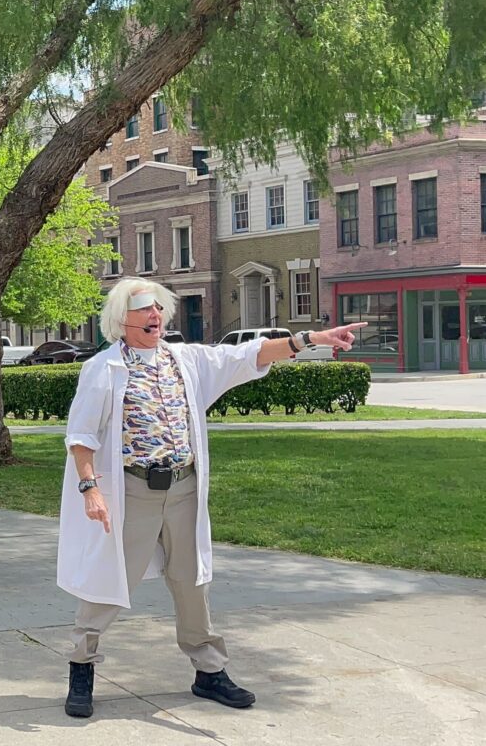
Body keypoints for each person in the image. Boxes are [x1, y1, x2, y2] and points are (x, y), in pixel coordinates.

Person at [58, 277, 365, 718]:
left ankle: (208, 671)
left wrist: (310, 340)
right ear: (122, 319)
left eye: (158, 308)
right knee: (110, 579)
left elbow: (249, 354)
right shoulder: (103, 369)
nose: (154, 315)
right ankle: (82, 665)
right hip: (132, 491)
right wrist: (91, 490)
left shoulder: (186, 360)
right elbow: (81, 436)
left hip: (183, 487)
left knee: (191, 580)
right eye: (144, 308)